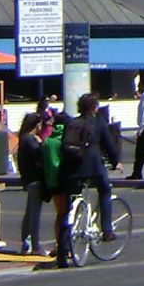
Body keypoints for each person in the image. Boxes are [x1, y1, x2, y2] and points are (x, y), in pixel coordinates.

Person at [53, 92, 121, 268]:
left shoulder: (72, 123)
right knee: (105, 189)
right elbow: (109, 145)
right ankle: (107, 229)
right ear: (95, 107)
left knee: (67, 211)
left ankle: (62, 252)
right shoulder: (98, 123)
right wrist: (116, 162)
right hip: (93, 168)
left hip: (71, 170)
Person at [14, 112, 50, 256]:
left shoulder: (23, 139)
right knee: (35, 213)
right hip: (35, 178)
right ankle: (34, 245)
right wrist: (41, 143)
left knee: (30, 212)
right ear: (37, 125)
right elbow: (40, 155)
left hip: (28, 179)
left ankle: (26, 243)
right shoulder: (30, 140)